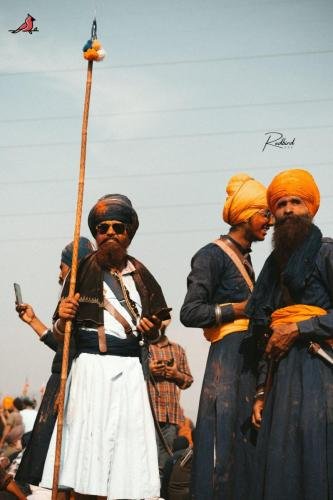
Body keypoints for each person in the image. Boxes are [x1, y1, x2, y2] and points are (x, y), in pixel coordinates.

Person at [40, 194, 171, 500]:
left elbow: (155, 330)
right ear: (96, 233)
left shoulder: (142, 275)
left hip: (129, 375)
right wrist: (63, 317)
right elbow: (60, 334)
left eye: (118, 227)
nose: (110, 232)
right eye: (103, 227)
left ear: (129, 232)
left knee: (124, 466)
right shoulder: (79, 270)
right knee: (84, 463)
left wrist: (151, 332)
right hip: (90, 372)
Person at [180, 173, 271, 500]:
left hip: (248, 363)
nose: (270, 221)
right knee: (221, 452)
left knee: (246, 454)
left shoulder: (248, 261)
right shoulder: (212, 254)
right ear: (247, 214)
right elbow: (190, 312)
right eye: (265, 213)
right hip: (227, 363)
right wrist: (239, 309)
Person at [247, 169, 333, 500]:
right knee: (281, 466)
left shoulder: (326, 252)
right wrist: (260, 392)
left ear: (310, 208)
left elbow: (287, 328)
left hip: (320, 370)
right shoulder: (273, 267)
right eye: (280, 204)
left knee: (316, 460)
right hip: (281, 378)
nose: (287, 210)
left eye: (296, 201)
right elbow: (269, 330)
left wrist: (300, 328)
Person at [15, 237, 94, 487]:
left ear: (72, 265)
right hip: (61, 377)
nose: (59, 273)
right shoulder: (71, 296)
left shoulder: (80, 294)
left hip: (68, 383)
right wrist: (32, 320)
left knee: (60, 459)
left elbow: (75, 349)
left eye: (62, 266)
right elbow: (63, 346)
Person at [148, 329, 193, 477]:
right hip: (147, 415)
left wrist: (176, 374)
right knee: (147, 462)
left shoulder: (177, 349)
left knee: (165, 464)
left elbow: (188, 381)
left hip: (170, 417)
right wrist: (148, 370)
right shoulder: (142, 348)